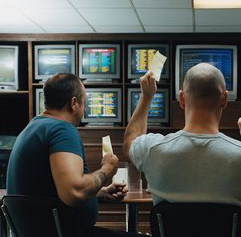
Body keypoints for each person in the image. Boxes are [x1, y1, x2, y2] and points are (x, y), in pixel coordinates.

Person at [7, 73, 145, 237]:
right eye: (84, 102)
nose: (84, 109)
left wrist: (100, 192)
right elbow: (74, 193)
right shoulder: (61, 130)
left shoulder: (33, 127)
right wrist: (106, 169)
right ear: (74, 103)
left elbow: (52, 191)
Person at [123, 63, 241, 209]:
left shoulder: (152, 148)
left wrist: (146, 97)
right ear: (225, 99)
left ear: (181, 99)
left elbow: (130, 141)